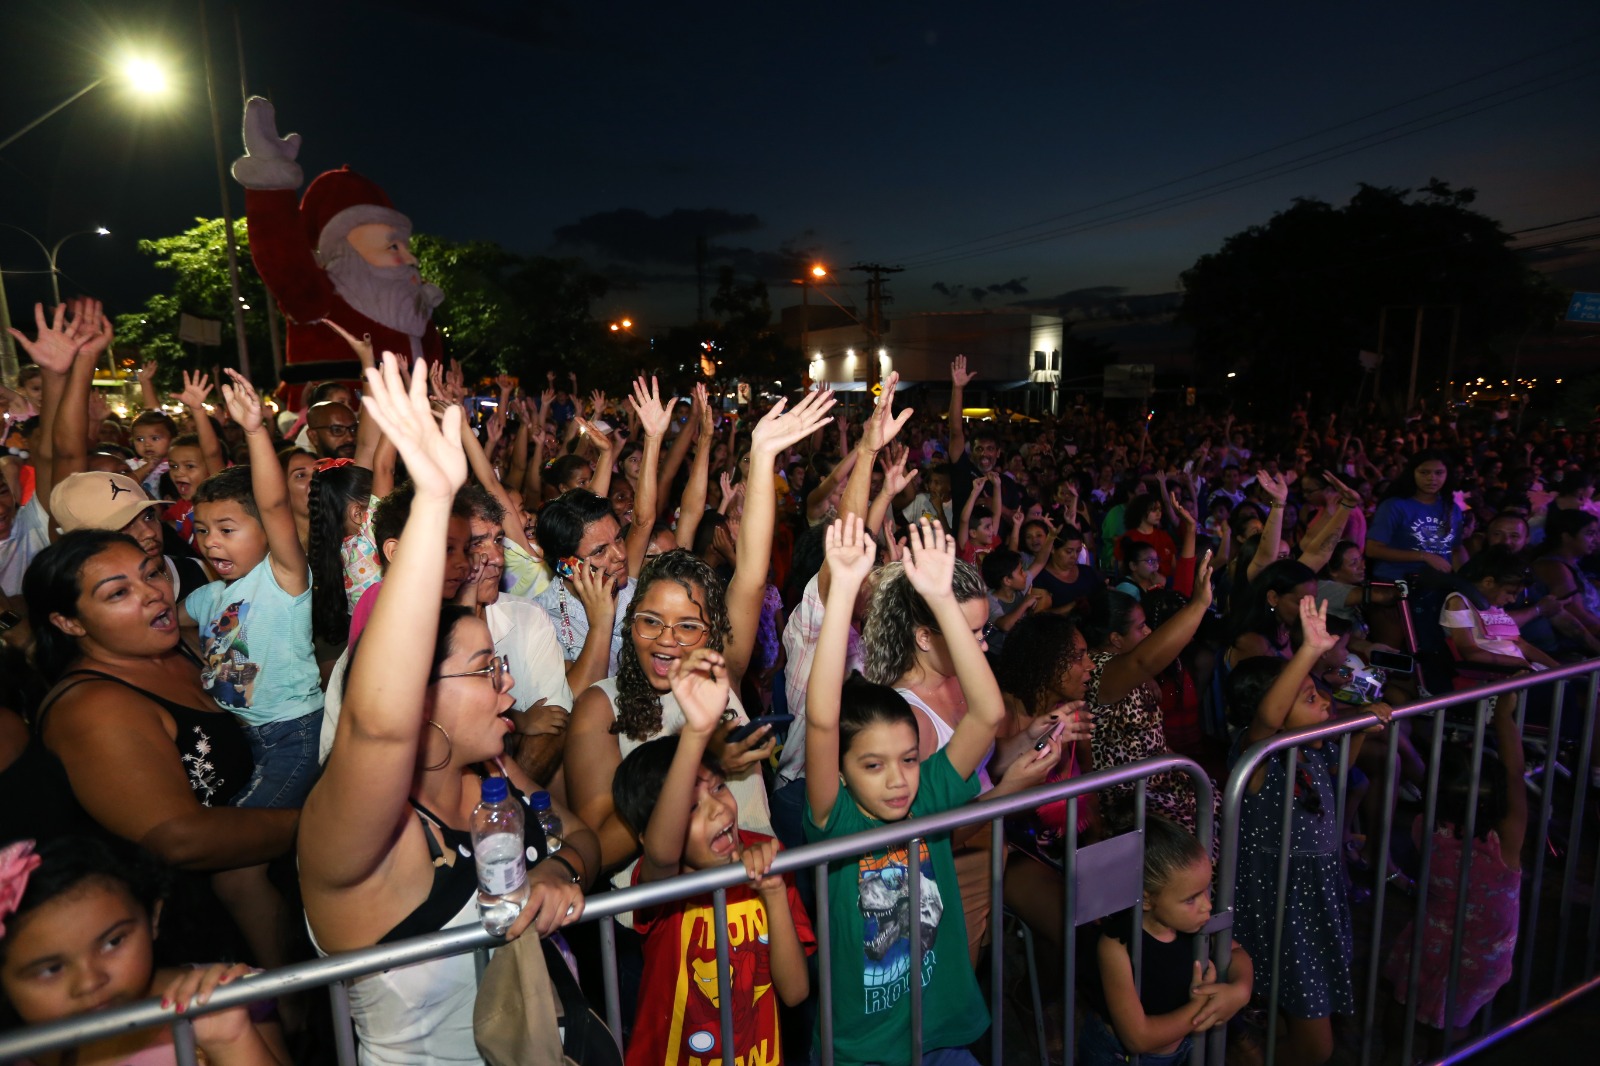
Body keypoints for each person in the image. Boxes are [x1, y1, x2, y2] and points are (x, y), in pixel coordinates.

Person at [298, 355, 594, 1065]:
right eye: (487, 672)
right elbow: (378, 723)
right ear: (420, 699)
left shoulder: (493, 770)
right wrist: (433, 500)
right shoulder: (362, 835)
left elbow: (581, 834)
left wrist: (561, 872)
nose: (509, 689)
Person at [22, 530, 298, 966]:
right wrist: (317, 823)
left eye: (151, 573)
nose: (153, 593)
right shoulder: (93, 707)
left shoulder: (180, 647)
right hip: (200, 944)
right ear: (69, 622)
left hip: (277, 888)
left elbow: (262, 693)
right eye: (118, 593)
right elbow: (177, 838)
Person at [805, 515, 1014, 1065]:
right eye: (873, 765)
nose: (898, 779)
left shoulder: (929, 799)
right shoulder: (839, 821)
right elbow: (824, 720)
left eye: (910, 759)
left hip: (939, 1032)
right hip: (864, 1049)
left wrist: (943, 600)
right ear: (843, 772)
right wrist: (845, 589)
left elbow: (988, 713)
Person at [610, 650, 814, 1066]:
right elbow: (665, 854)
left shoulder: (765, 854)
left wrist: (774, 893)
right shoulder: (662, 887)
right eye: (690, 806)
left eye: (719, 788)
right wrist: (696, 734)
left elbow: (795, 993)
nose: (718, 810)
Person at [1227, 598, 1393, 1065]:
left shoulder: (1312, 752)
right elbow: (1267, 720)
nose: (1321, 699)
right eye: (1307, 697)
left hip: (1316, 891)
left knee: (1292, 1009)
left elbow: (1341, 773)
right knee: (1317, 1042)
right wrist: (1308, 651)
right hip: (1282, 901)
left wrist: (1363, 723)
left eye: (1318, 690)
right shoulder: (1257, 757)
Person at [0, 837, 290, 1065]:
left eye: (113, 942)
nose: (90, 981)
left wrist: (231, 1042)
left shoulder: (222, 1001)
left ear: (153, 917)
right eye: (51, 969)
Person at [183, 371, 324, 813]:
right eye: (203, 530)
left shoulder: (282, 578)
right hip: (239, 732)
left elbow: (275, 503)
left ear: (266, 531)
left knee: (242, 844)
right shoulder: (209, 597)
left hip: (293, 733)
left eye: (227, 529)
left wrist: (254, 430)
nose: (211, 542)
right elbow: (168, 622)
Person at [1384, 690, 1525, 1040]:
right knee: (1455, 1025)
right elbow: (1516, 774)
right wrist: (1504, 719)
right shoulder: (1503, 842)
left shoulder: (1425, 827)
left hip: (1429, 942)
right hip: (1481, 957)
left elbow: (1428, 782)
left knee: (1409, 1013)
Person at [1083, 816, 1253, 1066]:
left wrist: (1240, 990)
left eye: (1206, 890)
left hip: (1184, 1048)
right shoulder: (1116, 947)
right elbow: (1137, 1038)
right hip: (1121, 1057)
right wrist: (1202, 1008)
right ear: (1148, 899)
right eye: (1191, 899)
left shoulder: (1196, 922)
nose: (1207, 905)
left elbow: (1237, 954)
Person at [1081, 557, 1218, 838]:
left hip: (1160, 782)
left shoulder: (1125, 668)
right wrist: (1199, 604)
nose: (1149, 633)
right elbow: (1143, 662)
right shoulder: (1098, 670)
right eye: (1141, 627)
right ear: (1116, 639)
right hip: (1130, 800)